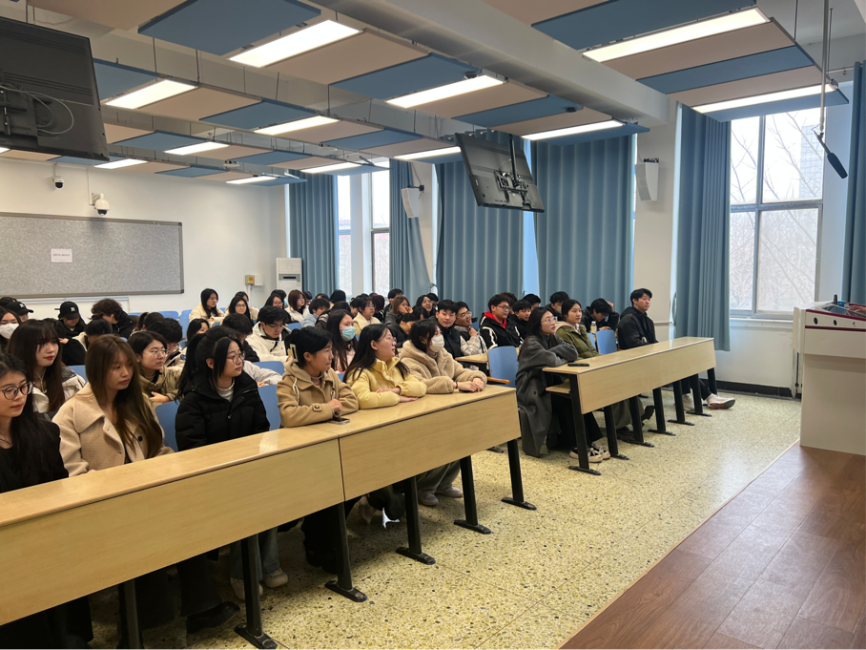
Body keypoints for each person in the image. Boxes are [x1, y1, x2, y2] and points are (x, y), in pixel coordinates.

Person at [54, 337, 239, 637]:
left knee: (187, 520)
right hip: (102, 504)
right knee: (143, 533)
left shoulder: (137, 402)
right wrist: (119, 490)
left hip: (146, 494)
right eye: (116, 367)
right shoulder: (71, 412)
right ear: (97, 369)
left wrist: (171, 477)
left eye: (129, 365)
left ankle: (201, 608)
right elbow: (71, 470)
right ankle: (134, 629)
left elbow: (159, 450)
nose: (126, 373)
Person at [176, 327, 285, 599]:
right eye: (232, 357)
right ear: (211, 363)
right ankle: (243, 572)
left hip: (247, 466)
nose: (240, 361)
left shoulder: (246, 387)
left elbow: (261, 427)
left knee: (271, 492)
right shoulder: (194, 399)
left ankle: (269, 565)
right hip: (214, 474)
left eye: (240, 355)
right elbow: (193, 449)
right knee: (244, 502)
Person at [0, 353, 93, 650]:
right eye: (8, 390)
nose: (19, 396)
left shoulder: (43, 431)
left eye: (23, 387)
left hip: (45, 536)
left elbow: (58, 485)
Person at [275, 327, 365, 570]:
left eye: (331, 350)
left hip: (330, 447)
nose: (331, 356)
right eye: (326, 351)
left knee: (355, 482)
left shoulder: (330, 375)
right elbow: (290, 416)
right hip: (301, 455)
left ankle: (324, 534)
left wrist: (325, 410)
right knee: (328, 488)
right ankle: (317, 543)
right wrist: (327, 409)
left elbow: (352, 401)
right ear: (307, 356)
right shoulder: (289, 382)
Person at [398, 319, 487, 506]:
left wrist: (476, 377)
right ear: (423, 339)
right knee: (442, 447)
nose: (440, 337)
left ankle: (444, 483)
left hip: (448, 411)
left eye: (439, 333)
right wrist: (455, 385)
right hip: (423, 415)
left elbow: (460, 372)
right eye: (436, 334)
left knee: (463, 442)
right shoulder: (408, 360)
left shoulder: (442, 354)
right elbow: (420, 385)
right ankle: (425, 488)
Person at [619, 288, 735, 410]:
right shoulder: (628, 319)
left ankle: (700, 397)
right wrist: (658, 350)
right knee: (680, 364)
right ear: (634, 300)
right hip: (636, 360)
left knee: (682, 361)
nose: (648, 302)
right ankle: (700, 397)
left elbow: (653, 342)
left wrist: (662, 350)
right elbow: (633, 344)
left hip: (649, 356)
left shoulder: (647, 320)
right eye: (644, 299)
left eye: (649, 299)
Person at [516, 307, 608, 461]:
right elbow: (554, 362)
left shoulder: (553, 338)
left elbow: (573, 353)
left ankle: (587, 442)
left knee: (577, 398)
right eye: (548, 320)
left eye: (553, 319)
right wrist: (559, 354)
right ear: (537, 324)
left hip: (549, 385)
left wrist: (554, 350)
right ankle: (577, 447)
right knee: (568, 402)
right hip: (533, 389)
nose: (553, 322)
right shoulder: (531, 342)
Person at [555, 300, 643, 433]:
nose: (578, 314)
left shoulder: (580, 328)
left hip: (591, 368)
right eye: (574, 311)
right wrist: (595, 364)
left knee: (623, 376)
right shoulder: (562, 333)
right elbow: (571, 358)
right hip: (579, 372)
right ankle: (620, 426)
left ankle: (637, 415)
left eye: (579, 310)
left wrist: (603, 361)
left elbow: (592, 351)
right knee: (614, 383)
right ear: (565, 314)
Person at [7, 320, 85, 419]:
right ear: (22, 346)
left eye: (54, 342)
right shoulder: (8, 386)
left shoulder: (71, 380)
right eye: (41, 343)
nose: (51, 349)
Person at [344, 324, 426, 409]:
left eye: (393, 339)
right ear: (374, 345)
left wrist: (398, 390)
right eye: (389, 338)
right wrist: (397, 398)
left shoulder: (397, 366)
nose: (394, 343)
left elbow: (422, 387)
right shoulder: (359, 372)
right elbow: (362, 399)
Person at [220, 314, 282, 385]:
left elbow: (255, 360)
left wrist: (264, 383)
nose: (240, 344)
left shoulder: (246, 363)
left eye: (243, 340)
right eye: (232, 357)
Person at [129, 331, 180, 405]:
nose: (162, 356)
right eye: (154, 351)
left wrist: (168, 398)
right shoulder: (128, 382)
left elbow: (189, 391)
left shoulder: (171, 375)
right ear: (136, 356)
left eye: (163, 351)